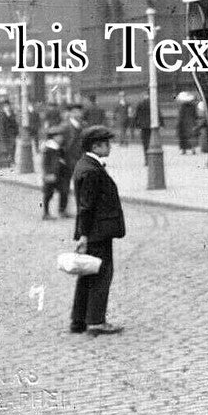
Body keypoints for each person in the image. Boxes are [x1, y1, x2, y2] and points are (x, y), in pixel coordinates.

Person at [70, 125, 126, 335]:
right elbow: (87, 206)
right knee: (102, 274)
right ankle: (96, 321)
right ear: (96, 145)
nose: (110, 146)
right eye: (106, 143)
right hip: (97, 232)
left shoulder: (85, 165)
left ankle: (79, 320)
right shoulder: (92, 171)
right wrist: (84, 235)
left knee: (87, 273)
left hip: (93, 231)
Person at [40, 125, 69, 220]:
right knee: (48, 194)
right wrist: (47, 174)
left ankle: (62, 210)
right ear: (54, 137)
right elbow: (45, 163)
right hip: (51, 174)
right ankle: (46, 213)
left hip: (59, 174)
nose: (61, 138)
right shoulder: (48, 148)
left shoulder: (59, 147)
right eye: (59, 136)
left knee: (64, 191)